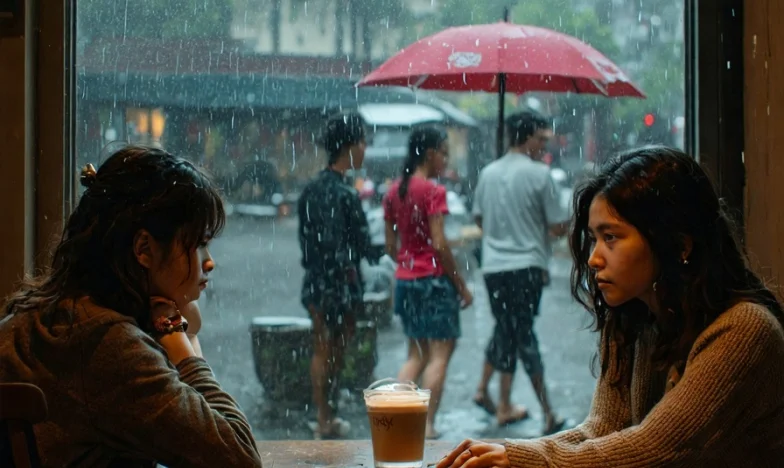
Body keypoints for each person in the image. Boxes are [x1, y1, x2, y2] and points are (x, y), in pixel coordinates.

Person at [438, 146, 784, 467]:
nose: (593, 258)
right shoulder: (636, 316)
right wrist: (509, 452)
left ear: (678, 244)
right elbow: (602, 430)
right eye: (593, 238)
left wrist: (521, 459)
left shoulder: (745, 329)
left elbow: (656, 448)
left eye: (612, 237)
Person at [0, 146, 262, 467]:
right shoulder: (107, 345)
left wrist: (178, 320)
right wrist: (181, 347)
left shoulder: (51, 314)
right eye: (198, 243)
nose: (209, 262)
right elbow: (238, 456)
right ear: (143, 249)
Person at [471, 110, 567, 434]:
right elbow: (557, 227)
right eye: (541, 139)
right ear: (525, 137)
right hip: (527, 267)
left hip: (494, 268)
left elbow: (480, 220)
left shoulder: (488, 173)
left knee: (507, 330)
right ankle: (546, 411)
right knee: (523, 334)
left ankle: (498, 401)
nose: (544, 145)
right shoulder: (541, 176)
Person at [383, 126, 473, 440]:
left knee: (415, 355)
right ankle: (427, 425)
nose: (446, 159)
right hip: (434, 282)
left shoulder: (394, 191)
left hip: (406, 281)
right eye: (444, 152)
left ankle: (397, 422)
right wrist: (460, 284)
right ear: (431, 153)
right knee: (438, 356)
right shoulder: (434, 191)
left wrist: (409, 262)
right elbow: (439, 244)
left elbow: (390, 247)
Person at [298, 112, 373, 439]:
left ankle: (323, 416)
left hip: (316, 280)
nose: (366, 149)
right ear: (350, 146)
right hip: (343, 283)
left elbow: (305, 241)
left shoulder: (310, 191)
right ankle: (330, 413)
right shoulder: (347, 194)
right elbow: (365, 245)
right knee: (337, 350)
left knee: (320, 347)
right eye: (363, 142)